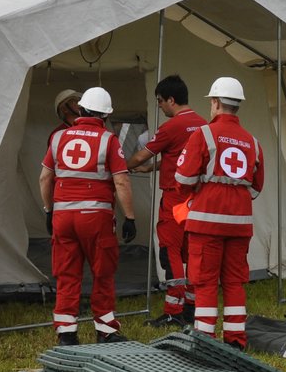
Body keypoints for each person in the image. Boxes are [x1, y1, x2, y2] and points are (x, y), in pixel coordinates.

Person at [39, 86, 138, 345]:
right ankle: (105, 330)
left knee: (67, 273)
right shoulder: (108, 140)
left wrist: (49, 210)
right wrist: (130, 217)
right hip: (96, 218)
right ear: (105, 116)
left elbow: (45, 178)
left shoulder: (59, 139)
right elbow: (122, 182)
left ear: (81, 109)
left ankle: (66, 333)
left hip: (63, 217)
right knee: (102, 272)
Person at [172, 76, 264, 349]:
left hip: (206, 224)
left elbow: (183, 180)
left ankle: (205, 340)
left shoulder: (203, 134)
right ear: (238, 106)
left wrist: (205, 191)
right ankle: (236, 341)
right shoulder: (253, 142)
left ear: (214, 103)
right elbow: (256, 188)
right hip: (239, 224)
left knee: (205, 282)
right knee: (235, 282)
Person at [127, 75, 208, 327]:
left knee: (169, 251)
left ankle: (174, 308)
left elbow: (140, 156)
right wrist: (154, 168)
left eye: (161, 102)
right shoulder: (203, 125)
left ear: (171, 100)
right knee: (192, 252)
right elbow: (179, 156)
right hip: (197, 198)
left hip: (175, 197)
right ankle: (192, 307)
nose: (160, 107)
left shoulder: (171, 127)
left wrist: (119, 167)